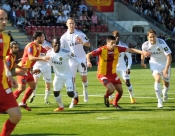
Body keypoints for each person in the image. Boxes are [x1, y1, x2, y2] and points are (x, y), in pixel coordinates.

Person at [86, 35, 150, 109]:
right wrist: (88, 62)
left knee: (120, 91)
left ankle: (115, 103)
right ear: (107, 43)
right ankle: (106, 96)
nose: (114, 45)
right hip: (102, 74)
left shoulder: (117, 48)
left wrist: (142, 52)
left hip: (113, 74)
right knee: (112, 89)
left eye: (115, 43)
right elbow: (88, 54)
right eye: (112, 43)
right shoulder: (102, 49)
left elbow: (130, 50)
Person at [33, 38, 86, 111]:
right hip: (58, 76)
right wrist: (40, 70)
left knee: (70, 94)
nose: (57, 45)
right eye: (55, 44)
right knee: (56, 93)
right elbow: (49, 65)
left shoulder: (66, 51)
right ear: (52, 45)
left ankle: (76, 95)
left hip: (68, 76)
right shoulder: (49, 53)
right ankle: (61, 106)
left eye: (58, 43)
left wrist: (81, 63)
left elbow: (74, 57)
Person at [13, 31, 50, 111]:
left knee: (33, 86)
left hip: (28, 70)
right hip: (22, 69)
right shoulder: (30, 46)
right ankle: (8, 104)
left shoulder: (39, 47)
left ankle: (23, 102)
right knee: (21, 88)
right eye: (43, 37)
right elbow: (31, 58)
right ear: (38, 38)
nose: (44, 39)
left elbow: (48, 51)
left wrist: (56, 48)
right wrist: (42, 58)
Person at [0, 9, 21, 136]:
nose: (4, 22)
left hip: (3, 86)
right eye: (1, 19)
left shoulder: (7, 38)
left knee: (16, 116)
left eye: (5, 19)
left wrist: (8, 74)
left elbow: (3, 58)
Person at [60, 17, 90, 103]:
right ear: (66, 24)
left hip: (82, 59)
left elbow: (88, 44)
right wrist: (68, 55)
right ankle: (75, 97)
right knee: (72, 79)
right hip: (71, 61)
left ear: (75, 24)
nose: (71, 25)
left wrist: (82, 42)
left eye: (73, 23)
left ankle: (85, 91)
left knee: (84, 79)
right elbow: (62, 49)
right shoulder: (64, 37)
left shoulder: (80, 34)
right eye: (70, 23)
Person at [141, 29, 172, 108]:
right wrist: (142, 62)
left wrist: (166, 68)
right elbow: (143, 53)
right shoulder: (145, 45)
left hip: (165, 63)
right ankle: (159, 101)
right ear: (148, 37)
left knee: (166, 83)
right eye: (150, 37)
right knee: (157, 79)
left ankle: (165, 92)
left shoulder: (162, 43)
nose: (152, 39)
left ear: (156, 36)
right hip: (154, 64)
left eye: (153, 37)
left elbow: (169, 57)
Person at [109, 31, 136, 104]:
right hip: (112, 67)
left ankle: (131, 96)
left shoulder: (124, 46)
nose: (116, 37)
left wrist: (128, 67)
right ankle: (110, 98)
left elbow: (129, 57)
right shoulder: (109, 46)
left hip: (122, 67)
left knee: (127, 82)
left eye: (118, 36)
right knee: (110, 83)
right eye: (115, 36)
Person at [29, 36, 52, 104]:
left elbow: (51, 54)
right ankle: (33, 94)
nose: (42, 38)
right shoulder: (35, 45)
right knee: (34, 82)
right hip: (37, 65)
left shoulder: (48, 45)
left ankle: (46, 99)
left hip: (46, 66)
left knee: (48, 85)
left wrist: (49, 52)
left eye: (43, 37)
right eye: (40, 37)